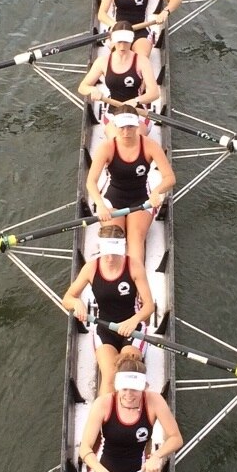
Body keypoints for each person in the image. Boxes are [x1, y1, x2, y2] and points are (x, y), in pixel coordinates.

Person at [61, 221, 156, 396]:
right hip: (104, 329)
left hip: (133, 328)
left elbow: (149, 306)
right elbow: (67, 298)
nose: (110, 258)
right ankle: (102, 421)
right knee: (111, 376)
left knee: (126, 373)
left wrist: (132, 321)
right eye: (106, 253)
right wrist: (77, 303)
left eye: (114, 252)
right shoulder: (91, 268)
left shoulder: (134, 266)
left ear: (122, 248)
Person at [85, 112, 174, 268]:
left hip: (141, 201)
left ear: (137, 126)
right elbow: (91, 182)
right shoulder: (106, 148)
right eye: (122, 128)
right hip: (112, 200)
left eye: (130, 127)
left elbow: (170, 178)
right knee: (114, 239)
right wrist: (99, 204)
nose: (126, 132)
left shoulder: (150, 145)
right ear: (115, 127)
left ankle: (137, 281)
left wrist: (156, 192)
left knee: (135, 239)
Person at [77, 26, 160, 135]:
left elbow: (154, 94)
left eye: (126, 41)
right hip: (113, 111)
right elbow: (82, 87)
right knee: (117, 140)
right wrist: (93, 90)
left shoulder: (142, 61)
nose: (122, 46)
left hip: (138, 111)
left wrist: (136, 101)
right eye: (119, 41)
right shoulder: (102, 62)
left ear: (131, 40)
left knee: (135, 138)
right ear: (112, 41)